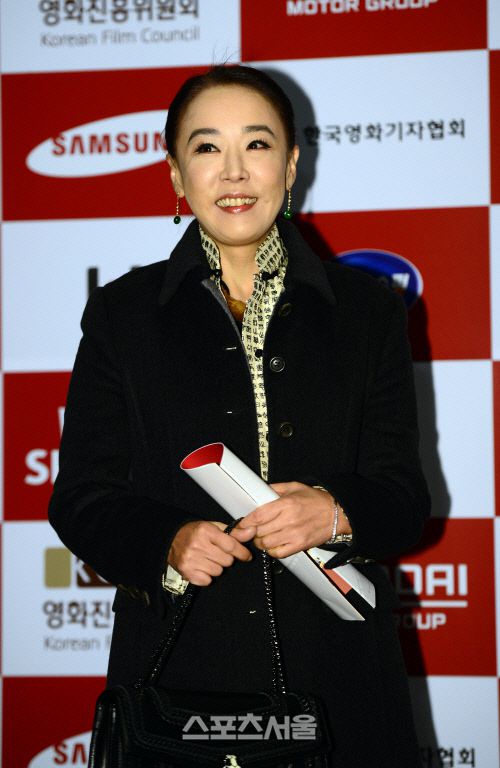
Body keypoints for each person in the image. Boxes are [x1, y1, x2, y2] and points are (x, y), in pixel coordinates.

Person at [49, 64, 431, 767]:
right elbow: (81, 498)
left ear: (291, 165)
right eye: (206, 147)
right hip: (181, 682)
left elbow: (404, 496)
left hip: (341, 680)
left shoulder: (368, 311)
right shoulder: (121, 315)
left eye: (257, 144)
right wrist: (166, 541)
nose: (233, 171)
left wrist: (335, 511)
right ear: (175, 173)